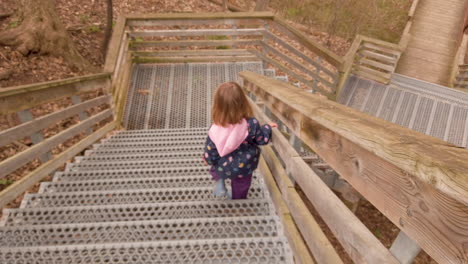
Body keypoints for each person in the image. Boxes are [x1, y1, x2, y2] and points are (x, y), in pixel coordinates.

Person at [203, 82, 277, 199]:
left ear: (217, 106)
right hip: (243, 165)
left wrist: (208, 159)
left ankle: (219, 180)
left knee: (215, 166)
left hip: (223, 165)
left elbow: (211, 149)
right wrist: (267, 127)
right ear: (243, 103)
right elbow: (262, 139)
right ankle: (238, 199)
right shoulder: (250, 124)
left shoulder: (215, 128)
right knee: (242, 183)